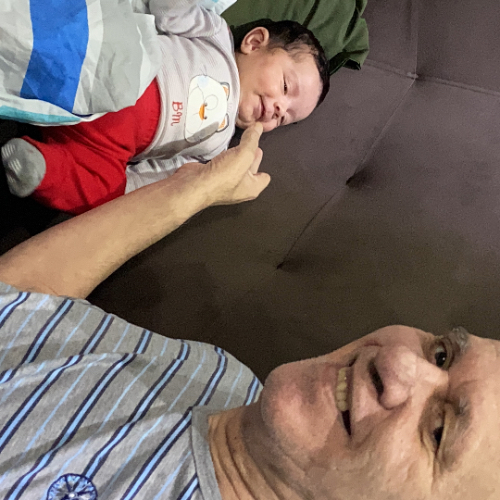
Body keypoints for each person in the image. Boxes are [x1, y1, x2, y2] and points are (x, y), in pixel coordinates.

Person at [0, 124, 499, 500]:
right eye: (441, 354)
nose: (396, 361)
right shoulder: (223, 376)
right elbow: (25, 302)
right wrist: (195, 190)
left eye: (439, 431)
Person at [0, 0, 330, 215]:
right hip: (114, 70)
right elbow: (169, 11)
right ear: (255, 43)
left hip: (107, 147)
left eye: (285, 118)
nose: (278, 109)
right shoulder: (216, 37)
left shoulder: (216, 150)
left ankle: (39, 169)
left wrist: (129, 192)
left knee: (106, 191)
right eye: (285, 87)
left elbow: (163, 178)